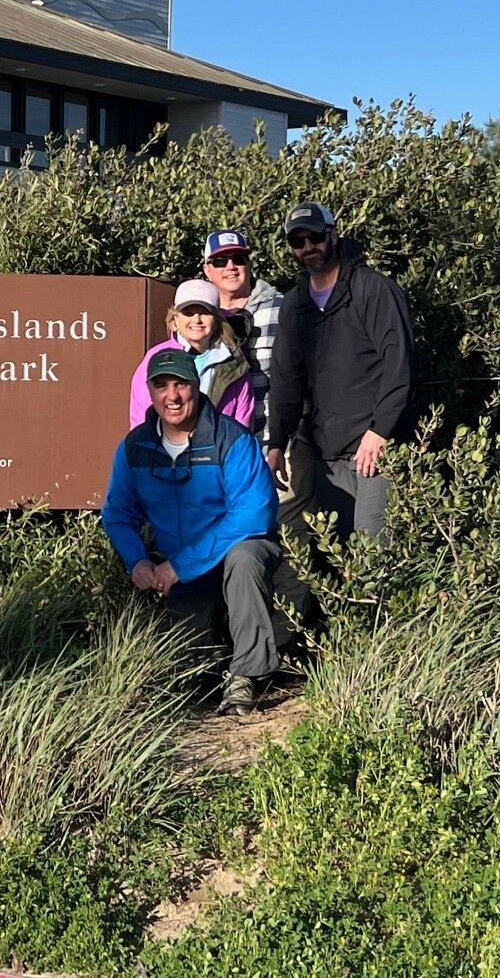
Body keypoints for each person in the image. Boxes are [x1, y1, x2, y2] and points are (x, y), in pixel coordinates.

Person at [102, 348, 282, 716]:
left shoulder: (233, 440)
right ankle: (209, 665)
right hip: (180, 570)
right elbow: (117, 513)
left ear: (197, 387)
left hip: (230, 556)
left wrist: (180, 564)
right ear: (150, 393)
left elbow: (252, 515)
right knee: (186, 674)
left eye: (181, 384)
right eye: (162, 385)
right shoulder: (135, 447)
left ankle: (247, 675)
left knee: (245, 557)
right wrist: (136, 560)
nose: (173, 395)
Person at [262, 202, 417, 630]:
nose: (308, 246)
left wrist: (381, 431)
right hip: (322, 449)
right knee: (332, 555)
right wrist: (277, 443)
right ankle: (333, 650)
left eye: (314, 236)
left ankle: (378, 657)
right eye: (298, 241)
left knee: (373, 554)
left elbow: (399, 365)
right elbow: (286, 380)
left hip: (372, 449)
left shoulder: (373, 290)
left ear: (332, 234)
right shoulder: (294, 305)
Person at [128, 280, 258, 429]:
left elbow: (242, 425)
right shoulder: (155, 358)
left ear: (216, 319)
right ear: (175, 319)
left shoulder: (234, 362)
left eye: (205, 313)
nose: (197, 320)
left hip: (221, 451)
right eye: (188, 313)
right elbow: (141, 418)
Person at [198, 228, 285, 437]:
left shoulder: (282, 309)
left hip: (274, 440)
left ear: (249, 264)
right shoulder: (198, 319)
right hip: (218, 444)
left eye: (238, 259)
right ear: (207, 269)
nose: (231, 267)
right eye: (220, 261)